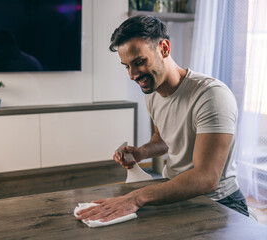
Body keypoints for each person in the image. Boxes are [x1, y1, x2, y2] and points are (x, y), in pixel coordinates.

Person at [75, 15, 249, 222]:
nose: (132, 75)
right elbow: (164, 137)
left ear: (164, 48)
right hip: (176, 194)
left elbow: (206, 178)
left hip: (218, 203)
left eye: (139, 62)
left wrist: (136, 197)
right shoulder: (153, 93)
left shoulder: (211, 95)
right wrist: (142, 152)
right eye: (126, 66)